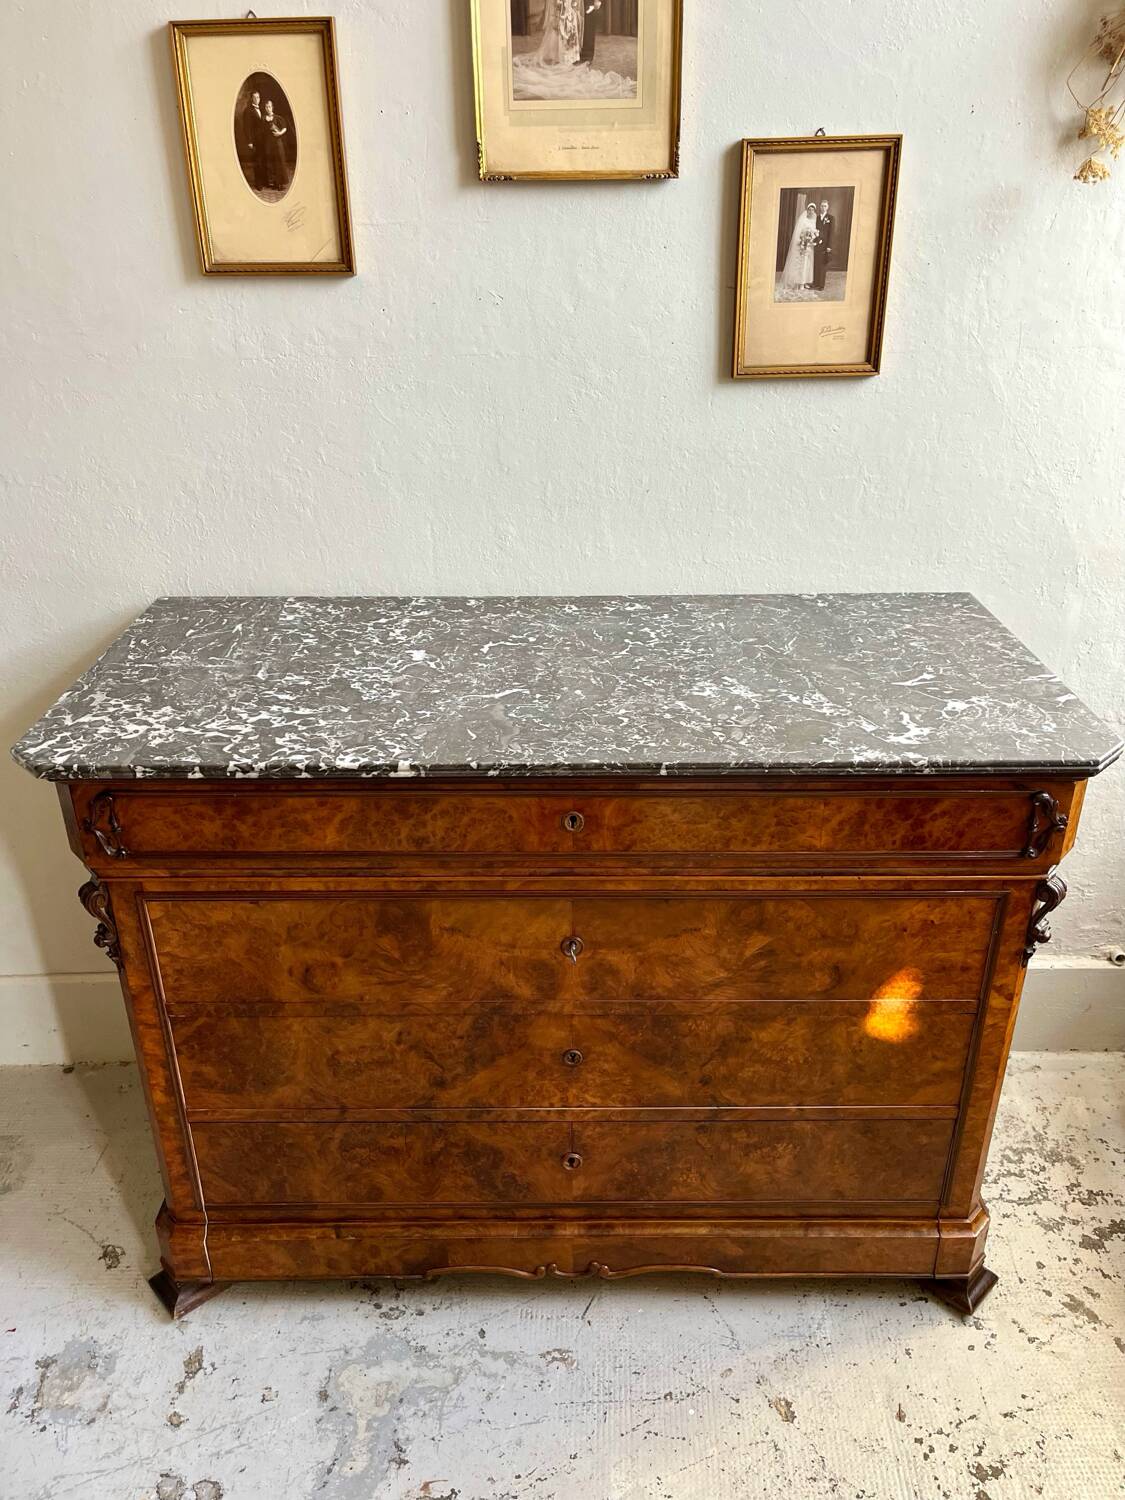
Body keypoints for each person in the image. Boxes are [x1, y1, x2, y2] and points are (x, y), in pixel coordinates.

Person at [780, 200, 820, 292]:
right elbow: (799, 232)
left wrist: (813, 237)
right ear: (807, 210)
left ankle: (805, 282)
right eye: (809, 209)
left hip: (810, 245)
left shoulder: (814, 220)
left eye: (812, 210)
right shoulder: (803, 220)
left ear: (814, 211)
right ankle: (800, 282)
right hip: (803, 245)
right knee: (802, 264)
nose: (811, 211)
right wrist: (803, 240)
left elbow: (815, 232)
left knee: (808, 264)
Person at [262, 99, 289, 193]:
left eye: (269, 106)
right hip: (269, 144)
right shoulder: (264, 118)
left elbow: (285, 127)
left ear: (272, 107)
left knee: (279, 162)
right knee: (272, 163)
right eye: (266, 107)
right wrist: (266, 120)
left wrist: (280, 133)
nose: (268, 108)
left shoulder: (278, 118)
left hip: (277, 143)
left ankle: (281, 184)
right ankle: (275, 183)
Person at [239, 90, 265, 188]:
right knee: (257, 161)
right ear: (251, 99)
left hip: (263, 140)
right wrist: (249, 141)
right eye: (254, 97)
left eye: (258, 97)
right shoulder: (248, 110)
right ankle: (258, 184)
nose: (256, 99)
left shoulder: (262, 108)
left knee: (263, 160)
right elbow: (247, 127)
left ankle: (264, 181)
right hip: (255, 140)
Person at [812, 198, 835, 292]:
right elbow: (814, 229)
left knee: (823, 264)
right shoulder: (816, 217)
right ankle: (815, 282)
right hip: (816, 243)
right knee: (816, 263)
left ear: (828, 207)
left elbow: (831, 233)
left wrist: (829, 246)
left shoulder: (830, 218)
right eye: (822, 206)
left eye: (825, 206)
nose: (823, 207)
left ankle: (821, 285)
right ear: (820, 207)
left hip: (825, 245)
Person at [578, 0, 603, 65]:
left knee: (588, 28)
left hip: (589, 4)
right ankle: (575, 53)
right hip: (577, 4)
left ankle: (586, 55)